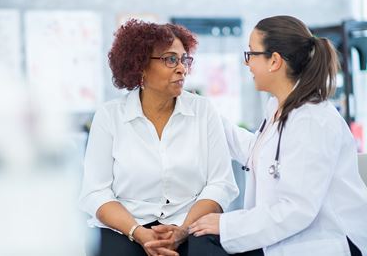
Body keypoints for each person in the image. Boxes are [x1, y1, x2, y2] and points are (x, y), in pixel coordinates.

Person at [147, 15, 367, 256]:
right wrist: (200, 111)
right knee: (201, 238)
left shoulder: (313, 121)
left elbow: (297, 209)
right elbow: (257, 152)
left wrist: (227, 224)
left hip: (324, 241)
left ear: (274, 61)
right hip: (285, 234)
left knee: (203, 239)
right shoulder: (278, 106)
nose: (247, 63)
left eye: (251, 54)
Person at [78, 19, 238, 256]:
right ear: (140, 66)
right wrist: (138, 232)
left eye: (185, 59)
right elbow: (96, 192)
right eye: (170, 59)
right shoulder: (109, 116)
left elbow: (220, 183)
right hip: (126, 226)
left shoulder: (204, 111)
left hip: (190, 224)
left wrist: (182, 229)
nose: (182, 68)